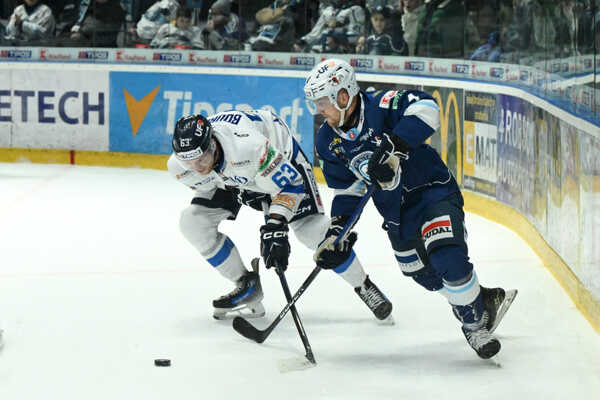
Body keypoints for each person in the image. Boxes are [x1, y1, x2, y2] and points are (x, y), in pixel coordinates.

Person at [304, 59, 517, 360]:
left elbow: (427, 108)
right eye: (315, 103)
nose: (319, 110)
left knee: (447, 255)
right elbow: (347, 189)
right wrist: (337, 230)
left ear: (344, 94)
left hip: (431, 191)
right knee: (420, 272)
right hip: (396, 213)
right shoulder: (328, 139)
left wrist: (395, 144)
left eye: (323, 101)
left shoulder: (382, 104)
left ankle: (475, 324)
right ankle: (482, 299)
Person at [167, 110, 393, 321]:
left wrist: (275, 223)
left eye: (201, 159)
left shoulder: (248, 147)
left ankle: (363, 285)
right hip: (238, 175)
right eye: (189, 161)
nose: (197, 167)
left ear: (212, 143)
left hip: (281, 158)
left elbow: (291, 185)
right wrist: (249, 194)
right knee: (192, 222)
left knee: (311, 231)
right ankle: (247, 285)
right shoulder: (181, 166)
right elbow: (209, 183)